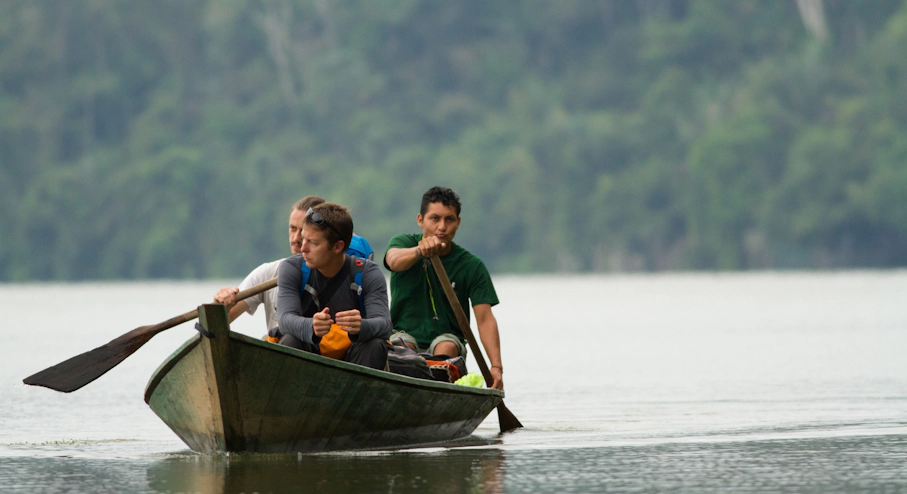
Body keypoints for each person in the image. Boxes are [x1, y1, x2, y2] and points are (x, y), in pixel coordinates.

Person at [384, 186, 505, 390]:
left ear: (458, 222)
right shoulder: (403, 243)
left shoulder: (471, 265)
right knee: (404, 350)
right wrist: (418, 251)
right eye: (435, 218)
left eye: (449, 219)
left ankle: (436, 391)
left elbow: (485, 319)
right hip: (402, 334)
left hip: (448, 341)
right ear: (421, 220)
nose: (442, 227)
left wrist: (496, 367)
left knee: (446, 347)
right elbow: (393, 260)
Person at [213, 196, 374, 335]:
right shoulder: (268, 273)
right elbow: (222, 319)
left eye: (303, 231)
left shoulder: (345, 272)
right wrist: (222, 304)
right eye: (292, 229)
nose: (296, 238)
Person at [277, 202, 391, 369]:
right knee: (290, 340)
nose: (303, 248)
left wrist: (362, 326)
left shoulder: (368, 273)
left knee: (374, 344)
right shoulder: (292, 268)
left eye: (313, 243)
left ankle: (360, 387)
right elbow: (285, 319)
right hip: (310, 350)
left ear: (338, 246)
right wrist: (311, 326)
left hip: (354, 354)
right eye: (303, 238)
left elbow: (385, 324)